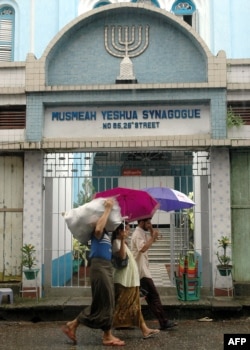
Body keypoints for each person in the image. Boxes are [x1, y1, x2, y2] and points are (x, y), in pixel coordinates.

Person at [62, 198, 125, 346]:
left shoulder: (108, 236)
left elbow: (121, 256)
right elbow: (97, 229)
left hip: (106, 267)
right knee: (105, 300)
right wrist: (108, 209)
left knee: (107, 300)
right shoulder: (98, 232)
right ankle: (76, 325)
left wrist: (122, 239)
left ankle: (104, 333)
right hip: (99, 267)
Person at [112, 222, 160, 339]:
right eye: (127, 229)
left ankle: (143, 329)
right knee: (126, 306)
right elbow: (122, 257)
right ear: (120, 231)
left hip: (129, 280)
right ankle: (107, 329)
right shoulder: (116, 243)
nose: (128, 232)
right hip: (124, 281)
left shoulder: (121, 243)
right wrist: (123, 241)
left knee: (132, 306)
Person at [131, 218, 177, 331]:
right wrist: (152, 236)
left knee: (149, 298)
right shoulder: (137, 234)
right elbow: (142, 248)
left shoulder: (142, 232)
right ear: (141, 222)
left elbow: (153, 241)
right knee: (153, 297)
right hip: (142, 271)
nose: (150, 224)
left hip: (143, 270)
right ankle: (164, 322)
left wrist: (151, 230)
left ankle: (163, 322)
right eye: (148, 222)